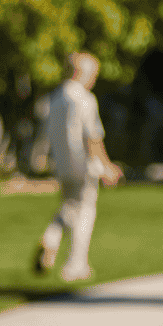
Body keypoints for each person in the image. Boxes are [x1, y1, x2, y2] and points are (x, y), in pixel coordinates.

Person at [33, 52, 123, 283]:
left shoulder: (54, 99)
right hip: (83, 164)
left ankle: (50, 238)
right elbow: (93, 136)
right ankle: (76, 264)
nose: (94, 80)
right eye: (93, 75)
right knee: (85, 212)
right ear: (81, 73)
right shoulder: (84, 99)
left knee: (70, 207)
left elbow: (44, 135)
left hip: (62, 164)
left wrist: (39, 157)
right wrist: (106, 167)